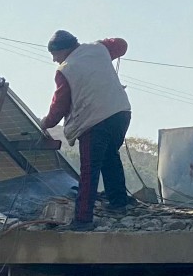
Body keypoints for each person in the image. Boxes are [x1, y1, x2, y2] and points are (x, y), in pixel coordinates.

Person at [40, 30, 133, 231]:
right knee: (110, 157)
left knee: (89, 171)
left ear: (63, 50)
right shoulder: (99, 49)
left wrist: (44, 123)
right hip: (121, 114)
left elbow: (58, 108)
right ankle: (119, 203)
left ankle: (83, 219)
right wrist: (100, 44)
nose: (55, 60)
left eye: (54, 55)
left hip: (94, 122)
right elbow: (122, 44)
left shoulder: (65, 70)